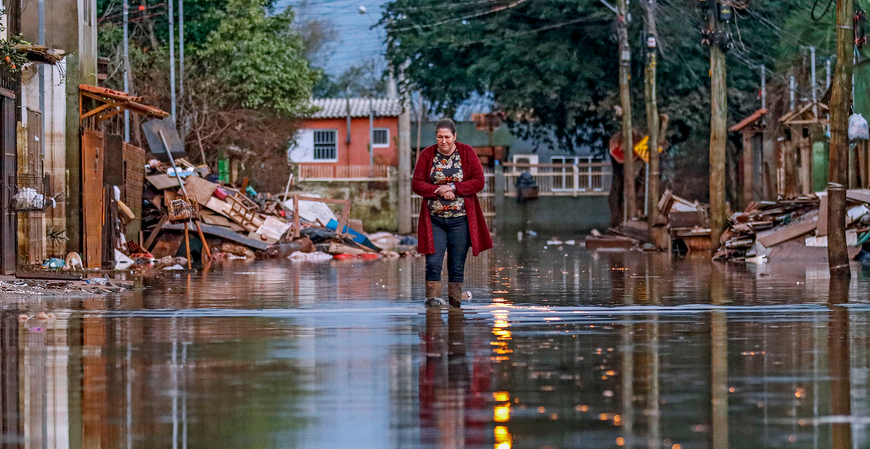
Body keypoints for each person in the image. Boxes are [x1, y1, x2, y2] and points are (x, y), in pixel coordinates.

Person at [412, 118, 493, 307]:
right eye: (440, 137)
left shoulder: (467, 152)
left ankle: (455, 306)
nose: (443, 141)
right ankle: (432, 305)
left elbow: (479, 181)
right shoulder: (427, 155)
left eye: (447, 137)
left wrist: (454, 188)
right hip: (435, 220)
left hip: (461, 220)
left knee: (456, 266)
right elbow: (416, 183)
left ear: (454, 136)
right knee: (433, 263)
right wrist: (439, 190)